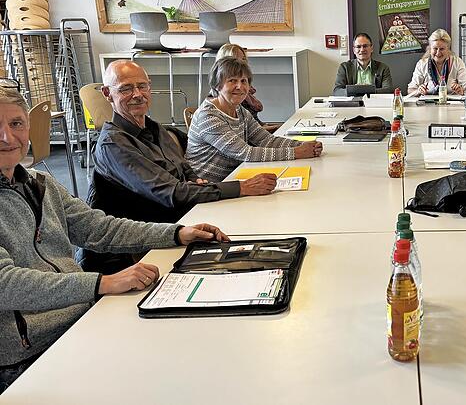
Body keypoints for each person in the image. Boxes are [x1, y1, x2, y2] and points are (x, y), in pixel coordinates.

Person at [0, 86, 227, 392]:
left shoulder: (40, 183)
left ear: (27, 127)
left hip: (82, 317)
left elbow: (98, 228)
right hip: (31, 355)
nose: (7, 137)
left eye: (15, 124)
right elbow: (6, 284)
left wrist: (175, 233)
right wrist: (102, 283)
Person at [84, 60, 278, 274]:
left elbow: (184, 168)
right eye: (126, 89)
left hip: (183, 221)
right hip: (138, 252)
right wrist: (242, 187)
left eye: (142, 86)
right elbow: (171, 193)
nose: (137, 94)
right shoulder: (114, 145)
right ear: (107, 93)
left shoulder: (156, 128)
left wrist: (195, 179)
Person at [186, 57, 323, 182]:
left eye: (243, 81)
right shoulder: (208, 116)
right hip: (206, 188)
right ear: (217, 85)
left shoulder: (240, 110)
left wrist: (302, 145)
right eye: (232, 80)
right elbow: (246, 153)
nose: (240, 87)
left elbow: (266, 140)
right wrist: (297, 152)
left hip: (233, 178)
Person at [215, 43, 280, 133]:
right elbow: (247, 135)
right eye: (236, 59)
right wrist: (277, 128)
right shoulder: (221, 107)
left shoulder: (240, 107)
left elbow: (255, 129)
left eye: (243, 59)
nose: (239, 86)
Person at [407, 29, 466, 96]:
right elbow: (410, 90)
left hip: (452, 104)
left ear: (448, 49)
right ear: (430, 49)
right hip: (428, 105)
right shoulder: (422, 64)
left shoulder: (457, 63)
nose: (438, 53)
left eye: (442, 49)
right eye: (435, 48)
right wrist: (418, 91)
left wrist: (461, 91)